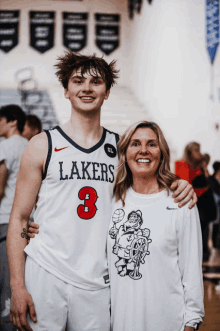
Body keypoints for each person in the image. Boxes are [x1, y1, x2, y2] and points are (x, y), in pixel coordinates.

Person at [7, 51, 197, 331]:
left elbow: (152, 184)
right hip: (45, 273)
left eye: (96, 82)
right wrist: (17, 286)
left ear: (107, 92)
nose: (86, 88)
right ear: (66, 90)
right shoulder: (41, 145)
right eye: (78, 81)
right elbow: (20, 219)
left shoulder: (121, 149)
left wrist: (180, 184)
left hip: (98, 282)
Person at [108, 121, 204, 331]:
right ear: (124, 152)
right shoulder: (111, 201)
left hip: (168, 323)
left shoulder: (180, 202)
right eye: (135, 143)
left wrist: (191, 324)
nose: (143, 150)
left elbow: (192, 275)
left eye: (151, 144)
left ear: (161, 152)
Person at [0, 105, 28, 331]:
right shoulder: (30, 146)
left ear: (12, 122)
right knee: (17, 281)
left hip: (4, 221)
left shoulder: (5, 146)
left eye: (0, 120)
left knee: (5, 283)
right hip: (26, 222)